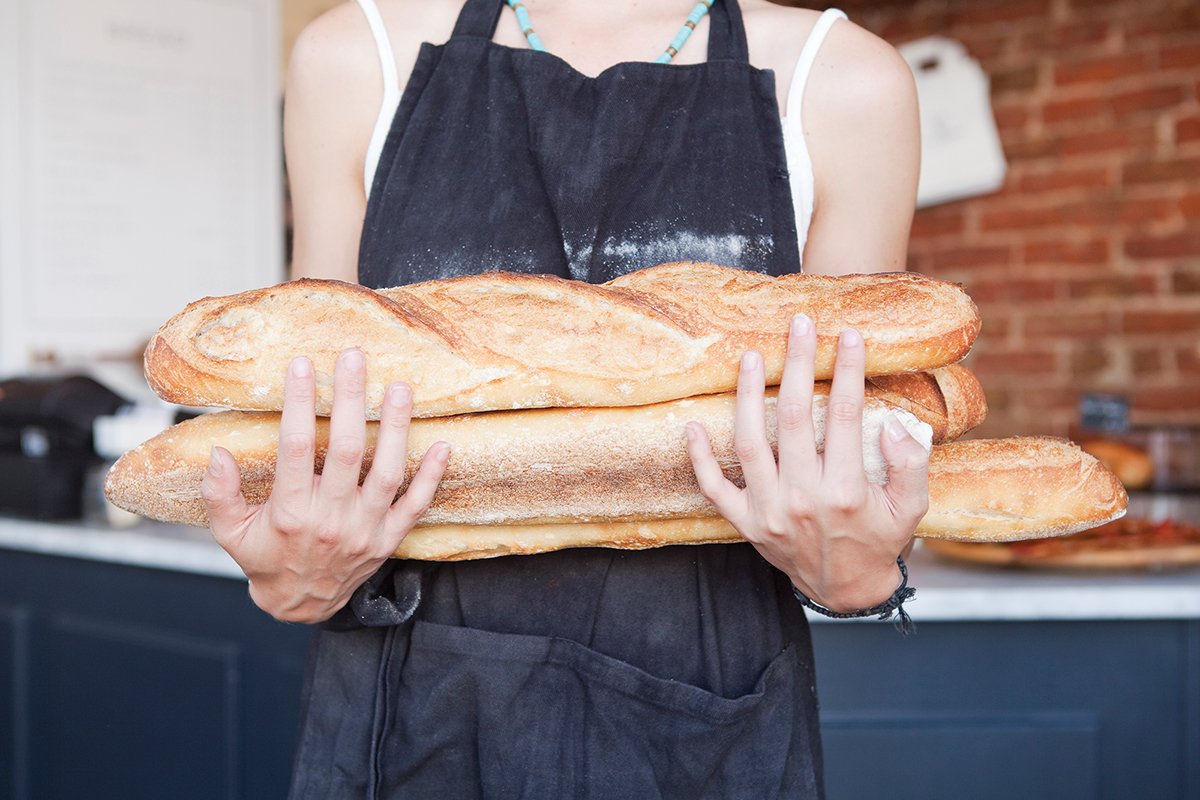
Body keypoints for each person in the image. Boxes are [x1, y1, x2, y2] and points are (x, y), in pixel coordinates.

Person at [200, 0, 924, 796]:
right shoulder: (351, 58)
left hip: (706, 709)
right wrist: (296, 572)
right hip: (403, 695)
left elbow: (850, 448)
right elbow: (317, 419)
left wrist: (855, 576)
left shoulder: (845, 81)